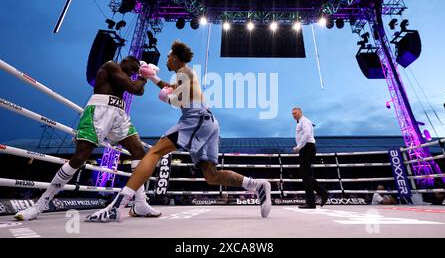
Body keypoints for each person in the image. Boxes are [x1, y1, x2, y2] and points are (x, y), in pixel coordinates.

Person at [86, 41, 272, 222]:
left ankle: (117, 206)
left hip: (195, 119)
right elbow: (173, 88)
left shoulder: (184, 72)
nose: (166, 60)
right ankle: (256, 185)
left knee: (153, 152)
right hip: (208, 122)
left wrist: (167, 99)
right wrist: (153, 78)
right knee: (211, 176)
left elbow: (177, 99)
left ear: (175, 57)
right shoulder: (184, 74)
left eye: (168, 57)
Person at [15, 56, 161, 221]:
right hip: (97, 112)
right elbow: (135, 88)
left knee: (138, 152)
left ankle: (140, 203)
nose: (135, 71)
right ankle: (40, 204)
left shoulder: (127, 76)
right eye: (134, 67)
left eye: (136, 71)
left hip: (118, 113)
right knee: (79, 158)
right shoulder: (111, 65)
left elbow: (139, 91)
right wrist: (144, 76)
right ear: (127, 60)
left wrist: (143, 77)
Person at [292, 107, 329, 209]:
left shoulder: (305, 121)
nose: (293, 115)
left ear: (300, 112)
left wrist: (298, 147)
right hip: (306, 148)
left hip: (307, 147)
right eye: (292, 114)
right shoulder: (300, 122)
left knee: (305, 175)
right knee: (306, 175)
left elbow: (307, 134)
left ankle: (312, 202)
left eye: (295, 113)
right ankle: (322, 193)